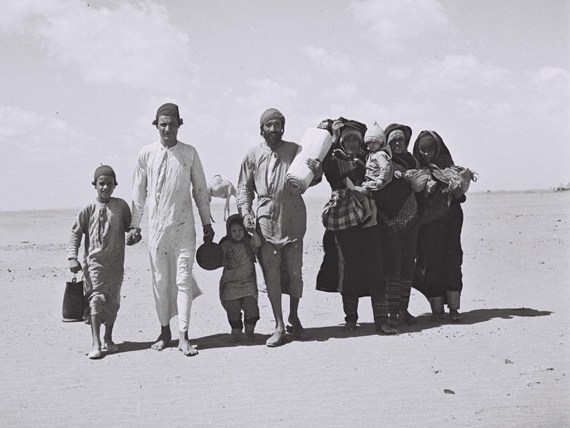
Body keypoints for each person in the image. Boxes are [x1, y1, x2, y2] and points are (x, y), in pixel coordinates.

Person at [128, 103, 214, 356]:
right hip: (156, 230)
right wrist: (134, 225)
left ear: (179, 124)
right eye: (163, 124)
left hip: (185, 227)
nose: (167, 128)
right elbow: (138, 193)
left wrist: (207, 223)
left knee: (183, 280)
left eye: (172, 123)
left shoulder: (189, 153)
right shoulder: (146, 153)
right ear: (156, 125)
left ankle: (183, 335)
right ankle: (164, 331)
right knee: (160, 281)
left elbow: (200, 189)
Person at [236, 107, 323, 347]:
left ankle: (294, 316)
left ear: (283, 127)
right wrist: (245, 215)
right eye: (268, 125)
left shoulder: (296, 150)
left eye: (277, 125)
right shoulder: (252, 155)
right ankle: (279, 325)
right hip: (265, 221)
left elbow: (310, 177)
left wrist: (317, 172)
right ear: (261, 128)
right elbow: (243, 189)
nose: (273, 129)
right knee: (271, 275)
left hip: (293, 218)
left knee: (295, 272)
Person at [316, 118, 397, 334]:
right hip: (343, 219)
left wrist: (368, 191)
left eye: (355, 138)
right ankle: (351, 318)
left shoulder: (369, 158)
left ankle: (381, 320)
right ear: (341, 141)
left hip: (369, 219)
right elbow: (325, 166)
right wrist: (332, 138)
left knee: (375, 267)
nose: (352, 142)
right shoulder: (332, 159)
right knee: (348, 268)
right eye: (347, 138)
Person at [68, 165, 133, 359]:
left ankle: (108, 338)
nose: (105, 187)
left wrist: (134, 236)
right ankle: (96, 343)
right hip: (94, 265)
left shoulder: (121, 206)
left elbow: (131, 228)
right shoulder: (88, 209)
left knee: (112, 303)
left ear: (115, 185)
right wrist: (72, 257)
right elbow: (75, 233)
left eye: (109, 184)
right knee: (95, 300)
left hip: (115, 265)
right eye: (101, 184)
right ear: (94, 185)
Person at [412, 130, 465, 322]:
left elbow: (460, 197)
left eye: (430, 149)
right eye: (422, 150)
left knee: (452, 261)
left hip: (451, 221)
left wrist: (456, 188)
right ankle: (436, 311)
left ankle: (454, 309)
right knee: (431, 263)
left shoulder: (451, 169)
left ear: (438, 148)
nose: (426, 153)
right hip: (427, 224)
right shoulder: (415, 170)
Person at [375, 124, 422, 325]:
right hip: (388, 220)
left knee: (407, 265)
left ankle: (404, 310)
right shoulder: (381, 159)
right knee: (392, 267)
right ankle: (392, 312)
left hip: (411, 219)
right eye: (392, 139)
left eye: (400, 139)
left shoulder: (413, 161)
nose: (396, 143)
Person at [219, 214, 261, 342]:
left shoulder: (248, 242)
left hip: (248, 281)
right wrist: (225, 262)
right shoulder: (225, 244)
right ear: (228, 231)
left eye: (240, 230)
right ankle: (236, 332)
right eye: (233, 231)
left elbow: (258, 244)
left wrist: (252, 231)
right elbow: (216, 259)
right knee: (233, 308)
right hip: (231, 283)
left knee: (251, 306)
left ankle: (249, 331)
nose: (237, 233)